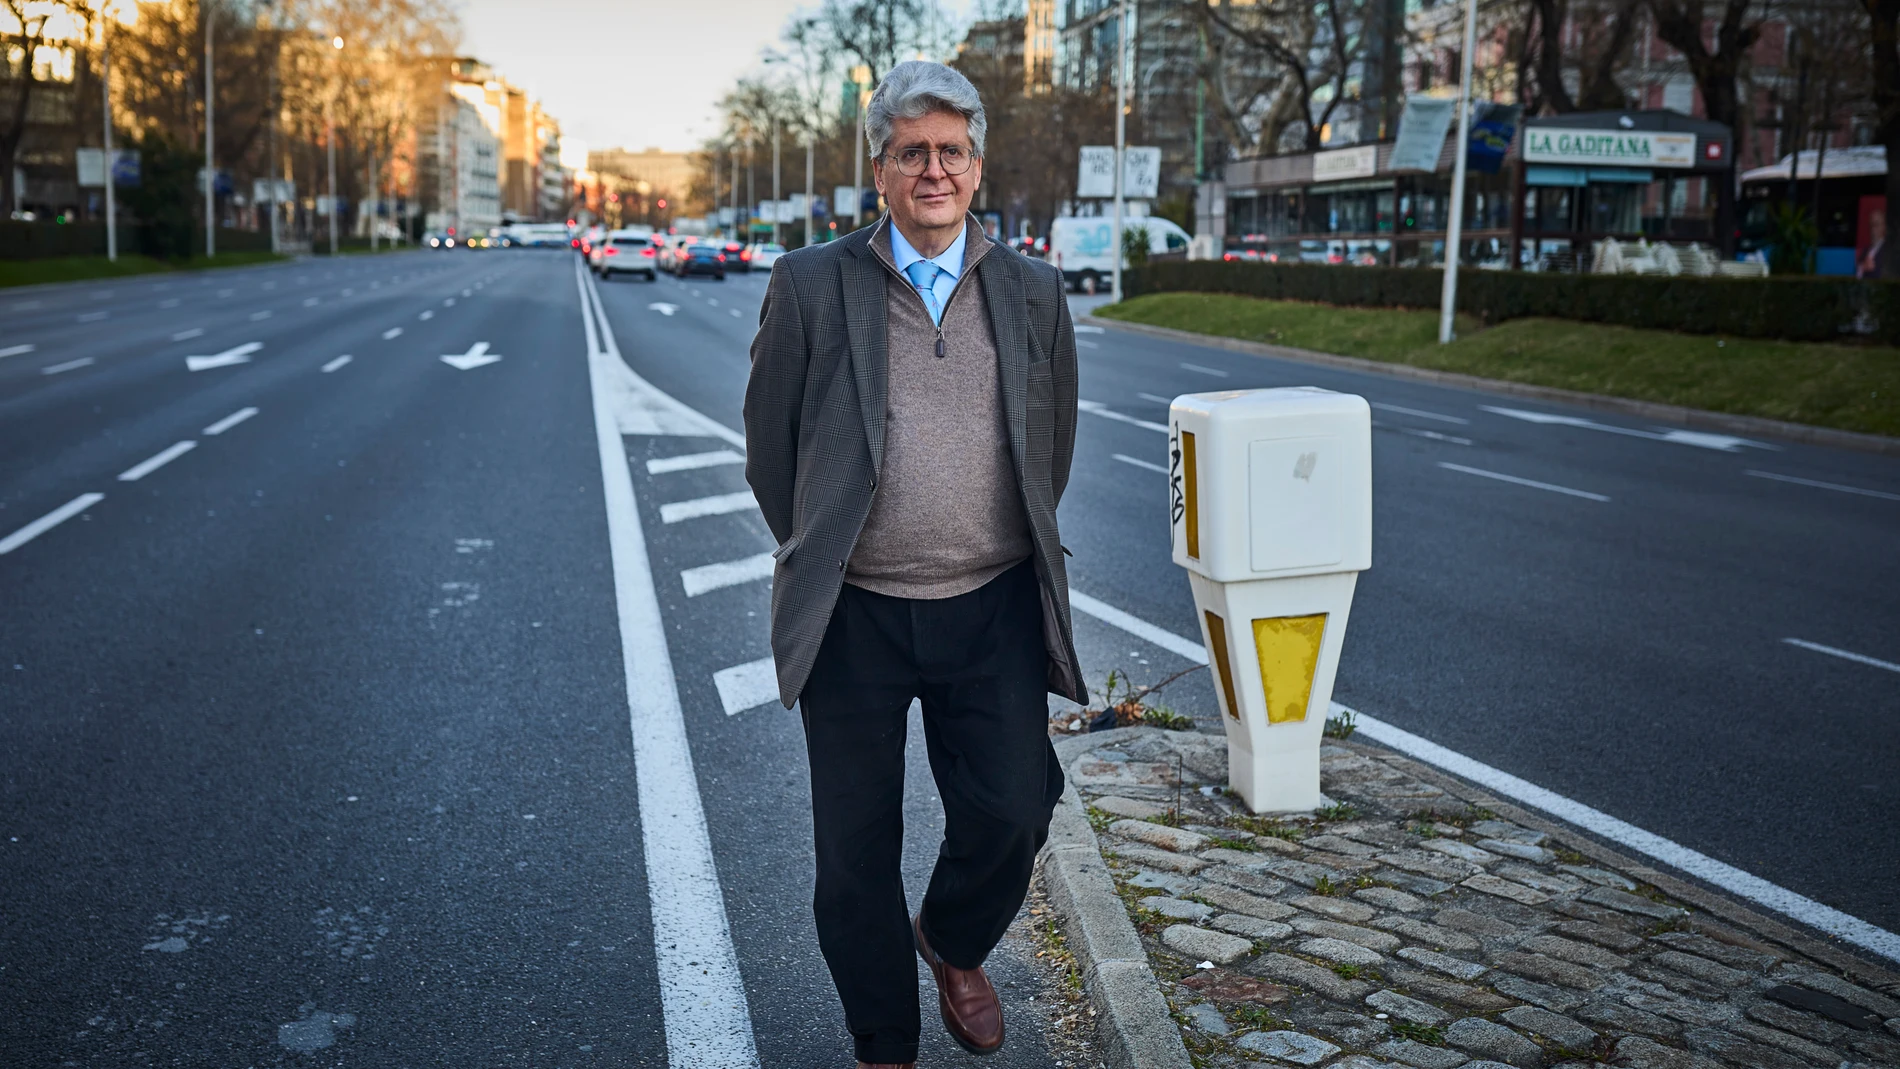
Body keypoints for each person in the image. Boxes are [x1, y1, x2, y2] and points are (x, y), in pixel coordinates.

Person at [743, 59, 1084, 1069]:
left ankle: (951, 937)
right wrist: (825, 546)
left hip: (990, 605)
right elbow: (772, 449)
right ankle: (882, 1040)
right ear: (880, 170)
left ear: (977, 168)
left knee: (1019, 806)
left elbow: (1047, 446)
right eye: (911, 154)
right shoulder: (811, 284)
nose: (933, 170)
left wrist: (984, 533)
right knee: (854, 853)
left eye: (951, 152)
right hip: (856, 613)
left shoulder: (1032, 291)